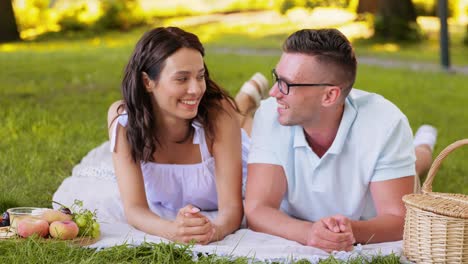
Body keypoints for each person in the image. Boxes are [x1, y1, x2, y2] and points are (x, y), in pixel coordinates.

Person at [244, 28, 438, 252]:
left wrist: (350, 231)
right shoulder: (270, 114)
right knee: (412, 161)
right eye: (277, 78)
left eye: (286, 84)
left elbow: (399, 219)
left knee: (418, 161)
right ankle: (420, 143)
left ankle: (424, 141)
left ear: (329, 96)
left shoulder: (387, 123)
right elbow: (257, 209)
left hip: (370, 201)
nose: (273, 92)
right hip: (344, 193)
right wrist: (309, 233)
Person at [107, 27, 269, 244]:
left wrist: (215, 230)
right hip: (218, 125)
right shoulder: (124, 122)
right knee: (233, 116)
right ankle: (245, 99)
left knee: (245, 124)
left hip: (232, 140)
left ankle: (245, 101)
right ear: (147, 82)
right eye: (182, 79)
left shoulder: (218, 114)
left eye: (200, 76)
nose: (195, 89)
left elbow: (231, 209)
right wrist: (173, 230)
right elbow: (134, 208)